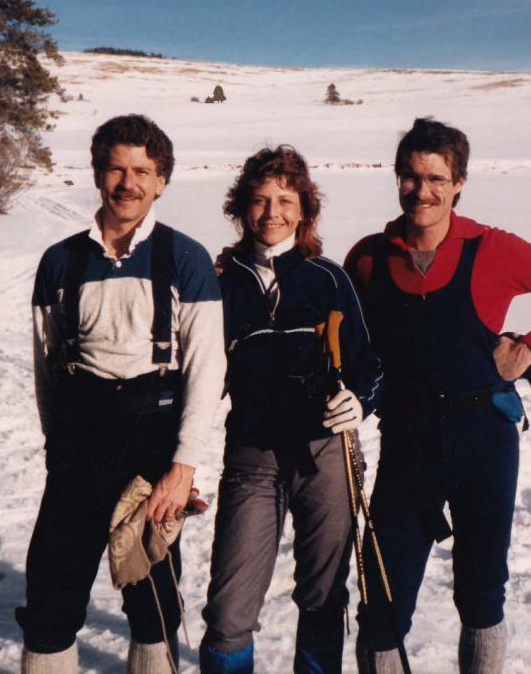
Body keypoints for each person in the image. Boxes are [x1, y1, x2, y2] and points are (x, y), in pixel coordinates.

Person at [344, 118, 531, 673]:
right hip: (407, 446)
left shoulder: (492, 249)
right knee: (380, 601)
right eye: (411, 177)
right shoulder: (369, 258)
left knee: (482, 594)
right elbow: (351, 343)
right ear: (396, 179)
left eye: (437, 178)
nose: (423, 191)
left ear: (459, 182)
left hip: (483, 441)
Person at [17, 114, 227, 674]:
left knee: (153, 599)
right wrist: (56, 444)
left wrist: (182, 468)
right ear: (97, 174)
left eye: (142, 171)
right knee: (51, 596)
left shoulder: (187, 259)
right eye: (115, 168)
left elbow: (206, 371)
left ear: (161, 181)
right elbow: (47, 364)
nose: (127, 183)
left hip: (153, 445)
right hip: (78, 442)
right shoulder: (61, 262)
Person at [200, 146, 383, 673]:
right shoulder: (219, 283)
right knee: (229, 610)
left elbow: (369, 361)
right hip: (253, 457)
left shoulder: (328, 277)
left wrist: (360, 400)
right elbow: (202, 377)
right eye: (259, 200)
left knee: (324, 595)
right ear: (241, 210)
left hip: (326, 453)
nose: (272, 212)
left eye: (285, 199)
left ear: (305, 209)